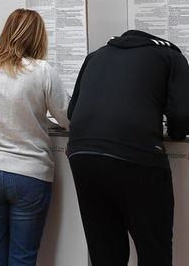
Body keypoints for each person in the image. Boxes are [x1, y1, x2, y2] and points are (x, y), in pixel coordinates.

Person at [0, 8, 69, 266]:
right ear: (38, 37)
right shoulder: (42, 71)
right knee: (23, 256)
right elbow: (66, 118)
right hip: (30, 173)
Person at [67, 30, 189, 266]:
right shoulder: (171, 56)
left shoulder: (96, 56)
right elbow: (182, 114)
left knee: (105, 250)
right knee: (154, 248)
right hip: (137, 154)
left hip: (83, 154)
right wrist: (173, 132)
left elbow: (72, 112)